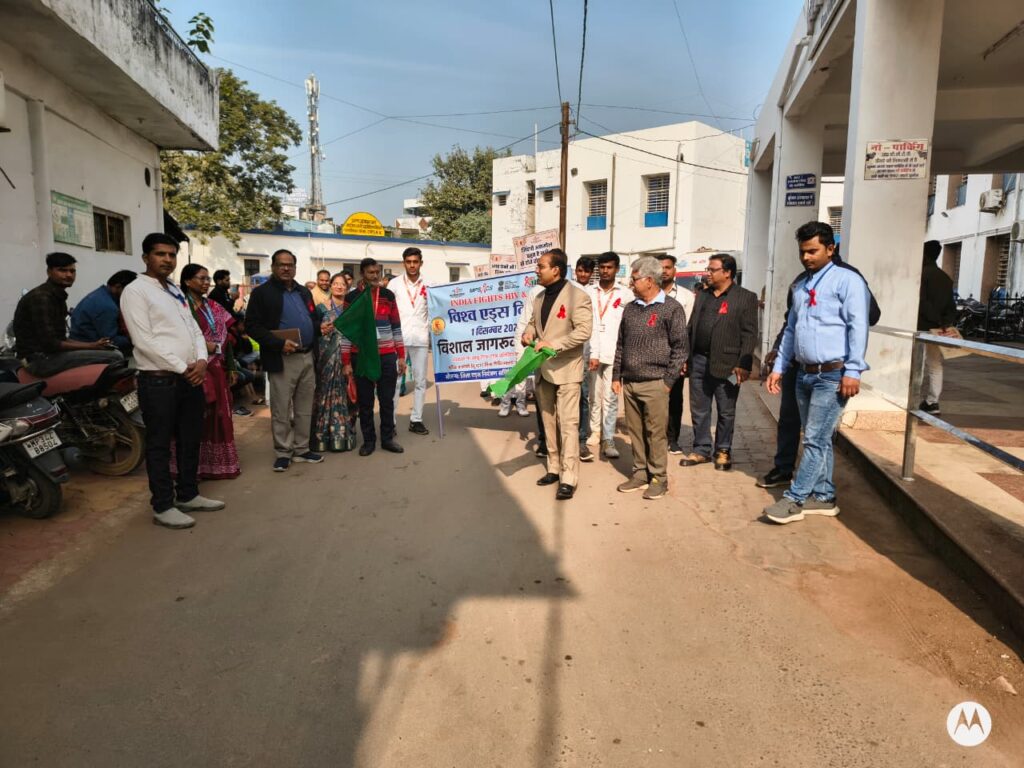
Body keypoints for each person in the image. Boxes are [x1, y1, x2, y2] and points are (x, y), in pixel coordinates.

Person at [764, 221, 870, 524]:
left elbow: (858, 326)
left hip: (833, 374)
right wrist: (780, 367)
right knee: (819, 439)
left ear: (830, 249)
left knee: (813, 438)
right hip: (804, 373)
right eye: (803, 252)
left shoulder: (847, 281)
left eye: (813, 251)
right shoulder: (801, 286)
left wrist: (853, 370)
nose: (806, 257)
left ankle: (795, 499)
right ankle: (823, 496)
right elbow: (792, 329)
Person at [120, 233, 224, 529]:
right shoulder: (136, 291)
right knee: (159, 445)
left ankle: (188, 494)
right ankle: (163, 505)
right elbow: (144, 341)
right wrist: (184, 368)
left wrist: (202, 360)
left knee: (190, 439)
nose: (167, 259)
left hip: (189, 378)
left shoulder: (175, 291)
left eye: (171, 254)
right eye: (160, 254)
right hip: (159, 382)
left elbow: (194, 329)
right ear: (146, 258)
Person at [612, 256, 689, 499]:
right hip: (630, 382)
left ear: (649, 280)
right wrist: (616, 376)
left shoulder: (671, 308)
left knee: (656, 434)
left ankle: (659, 478)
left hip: (656, 383)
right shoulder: (631, 309)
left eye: (634, 279)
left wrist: (668, 382)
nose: (631, 283)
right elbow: (621, 344)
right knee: (635, 431)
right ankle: (640, 473)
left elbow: (680, 348)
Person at [523, 248, 593, 501]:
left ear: (556, 270)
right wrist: (529, 333)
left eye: (541, 266)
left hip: (567, 370)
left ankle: (568, 477)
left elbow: (583, 331)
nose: (537, 270)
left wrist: (554, 345)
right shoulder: (540, 296)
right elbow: (534, 322)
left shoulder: (578, 296)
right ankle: (553, 468)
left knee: (568, 424)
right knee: (548, 422)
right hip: (543, 370)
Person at [677, 254, 758, 472]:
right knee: (699, 409)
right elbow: (691, 327)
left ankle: (723, 450)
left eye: (712, 269)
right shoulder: (703, 295)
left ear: (727, 272)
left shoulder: (745, 297)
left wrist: (744, 363)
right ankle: (701, 449)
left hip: (729, 364)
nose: (708, 273)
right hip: (699, 361)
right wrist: (685, 356)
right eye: (708, 269)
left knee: (726, 410)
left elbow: (750, 334)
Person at [245, 249, 324, 472]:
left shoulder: (303, 292)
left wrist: (320, 328)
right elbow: (252, 326)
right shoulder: (262, 293)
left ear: (295, 267)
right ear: (273, 267)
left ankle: (302, 449)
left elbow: (311, 319)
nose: (286, 268)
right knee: (281, 407)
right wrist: (278, 344)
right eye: (281, 264)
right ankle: (283, 452)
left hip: (307, 355)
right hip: (282, 358)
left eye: (290, 264)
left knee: (304, 406)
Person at [13, 252, 124, 377]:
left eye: (72, 271)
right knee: (115, 356)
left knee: (112, 351)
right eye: (62, 270)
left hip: (49, 355)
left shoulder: (57, 296)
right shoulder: (41, 297)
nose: (69, 275)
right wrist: (92, 345)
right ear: (49, 272)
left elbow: (61, 338)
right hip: (38, 360)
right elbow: (51, 344)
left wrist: (95, 346)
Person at [179, 264, 241, 479]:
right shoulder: (180, 307)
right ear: (188, 281)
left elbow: (227, 339)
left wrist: (231, 366)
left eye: (208, 279)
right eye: (201, 278)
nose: (206, 283)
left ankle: (215, 465)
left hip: (216, 368)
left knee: (219, 415)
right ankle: (190, 468)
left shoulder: (213, 306)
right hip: (191, 369)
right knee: (193, 418)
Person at [342, 257, 407, 456]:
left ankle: (387, 439)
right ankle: (369, 441)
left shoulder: (387, 295)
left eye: (377, 272)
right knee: (365, 402)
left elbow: (396, 326)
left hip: (386, 356)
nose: (375, 275)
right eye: (370, 272)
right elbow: (346, 332)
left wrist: (401, 355)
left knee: (387, 400)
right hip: (361, 356)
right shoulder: (352, 298)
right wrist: (346, 362)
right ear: (362, 273)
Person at [587, 252, 630, 459]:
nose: (605, 271)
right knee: (593, 396)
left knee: (611, 398)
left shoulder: (626, 294)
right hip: (591, 352)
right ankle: (595, 431)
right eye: (602, 267)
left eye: (609, 267)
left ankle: (608, 437)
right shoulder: (588, 292)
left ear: (616, 269)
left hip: (615, 353)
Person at [311, 272, 357, 452]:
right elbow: (314, 331)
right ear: (330, 286)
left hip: (346, 358)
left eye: (343, 284)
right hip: (326, 359)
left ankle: (342, 436)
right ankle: (321, 436)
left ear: (347, 287)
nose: (339, 286)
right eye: (336, 283)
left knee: (343, 394)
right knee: (324, 394)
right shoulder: (321, 308)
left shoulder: (351, 309)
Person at [390, 246, 431, 435]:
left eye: (415, 262)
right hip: (398, 339)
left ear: (421, 263)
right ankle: (390, 421)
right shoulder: (394, 284)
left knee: (420, 381)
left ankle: (416, 419)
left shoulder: (430, 284)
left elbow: (436, 310)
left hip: (421, 339)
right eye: (409, 262)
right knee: (395, 381)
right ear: (403, 263)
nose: (412, 265)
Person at [660, 254, 696, 454]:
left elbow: (688, 329)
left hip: (675, 356)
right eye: (660, 267)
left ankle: (672, 439)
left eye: (668, 267)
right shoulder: (648, 294)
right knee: (653, 398)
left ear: (674, 270)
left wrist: (684, 358)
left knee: (674, 398)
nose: (664, 271)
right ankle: (655, 438)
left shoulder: (686, 297)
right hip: (652, 355)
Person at [918, 240, 956, 415]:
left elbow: (923, 303)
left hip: (922, 326)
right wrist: (944, 322)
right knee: (935, 365)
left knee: (918, 364)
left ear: (925, 255)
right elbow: (951, 306)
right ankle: (932, 402)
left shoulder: (922, 274)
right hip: (938, 329)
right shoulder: (945, 278)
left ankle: (912, 397)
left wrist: (934, 319)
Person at [69, 270, 137, 355]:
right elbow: (110, 341)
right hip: (86, 348)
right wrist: (135, 338)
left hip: (80, 341)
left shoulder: (101, 294)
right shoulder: (107, 306)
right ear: (118, 287)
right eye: (132, 292)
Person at [573, 257, 596, 461]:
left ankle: (581, 440)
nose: (583, 275)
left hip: (586, 354)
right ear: (575, 270)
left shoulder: (594, 293)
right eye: (580, 271)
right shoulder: (567, 290)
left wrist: (594, 353)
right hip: (565, 353)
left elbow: (595, 326)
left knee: (583, 396)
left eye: (587, 271)